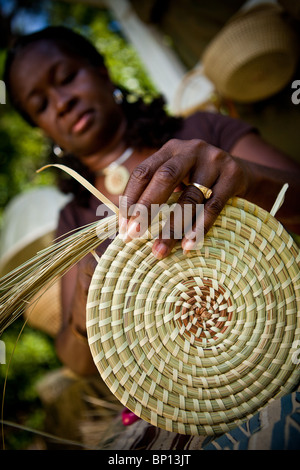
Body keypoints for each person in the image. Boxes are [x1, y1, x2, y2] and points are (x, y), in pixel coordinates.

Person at [4, 26, 300, 448]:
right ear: (42, 128)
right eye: (41, 105)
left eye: (67, 77)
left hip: (284, 346)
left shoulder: (201, 133)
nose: (62, 102)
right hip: (181, 411)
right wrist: (86, 302)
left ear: (103, 71)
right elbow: (77, 363)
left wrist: (244, 176)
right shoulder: (74, 219)